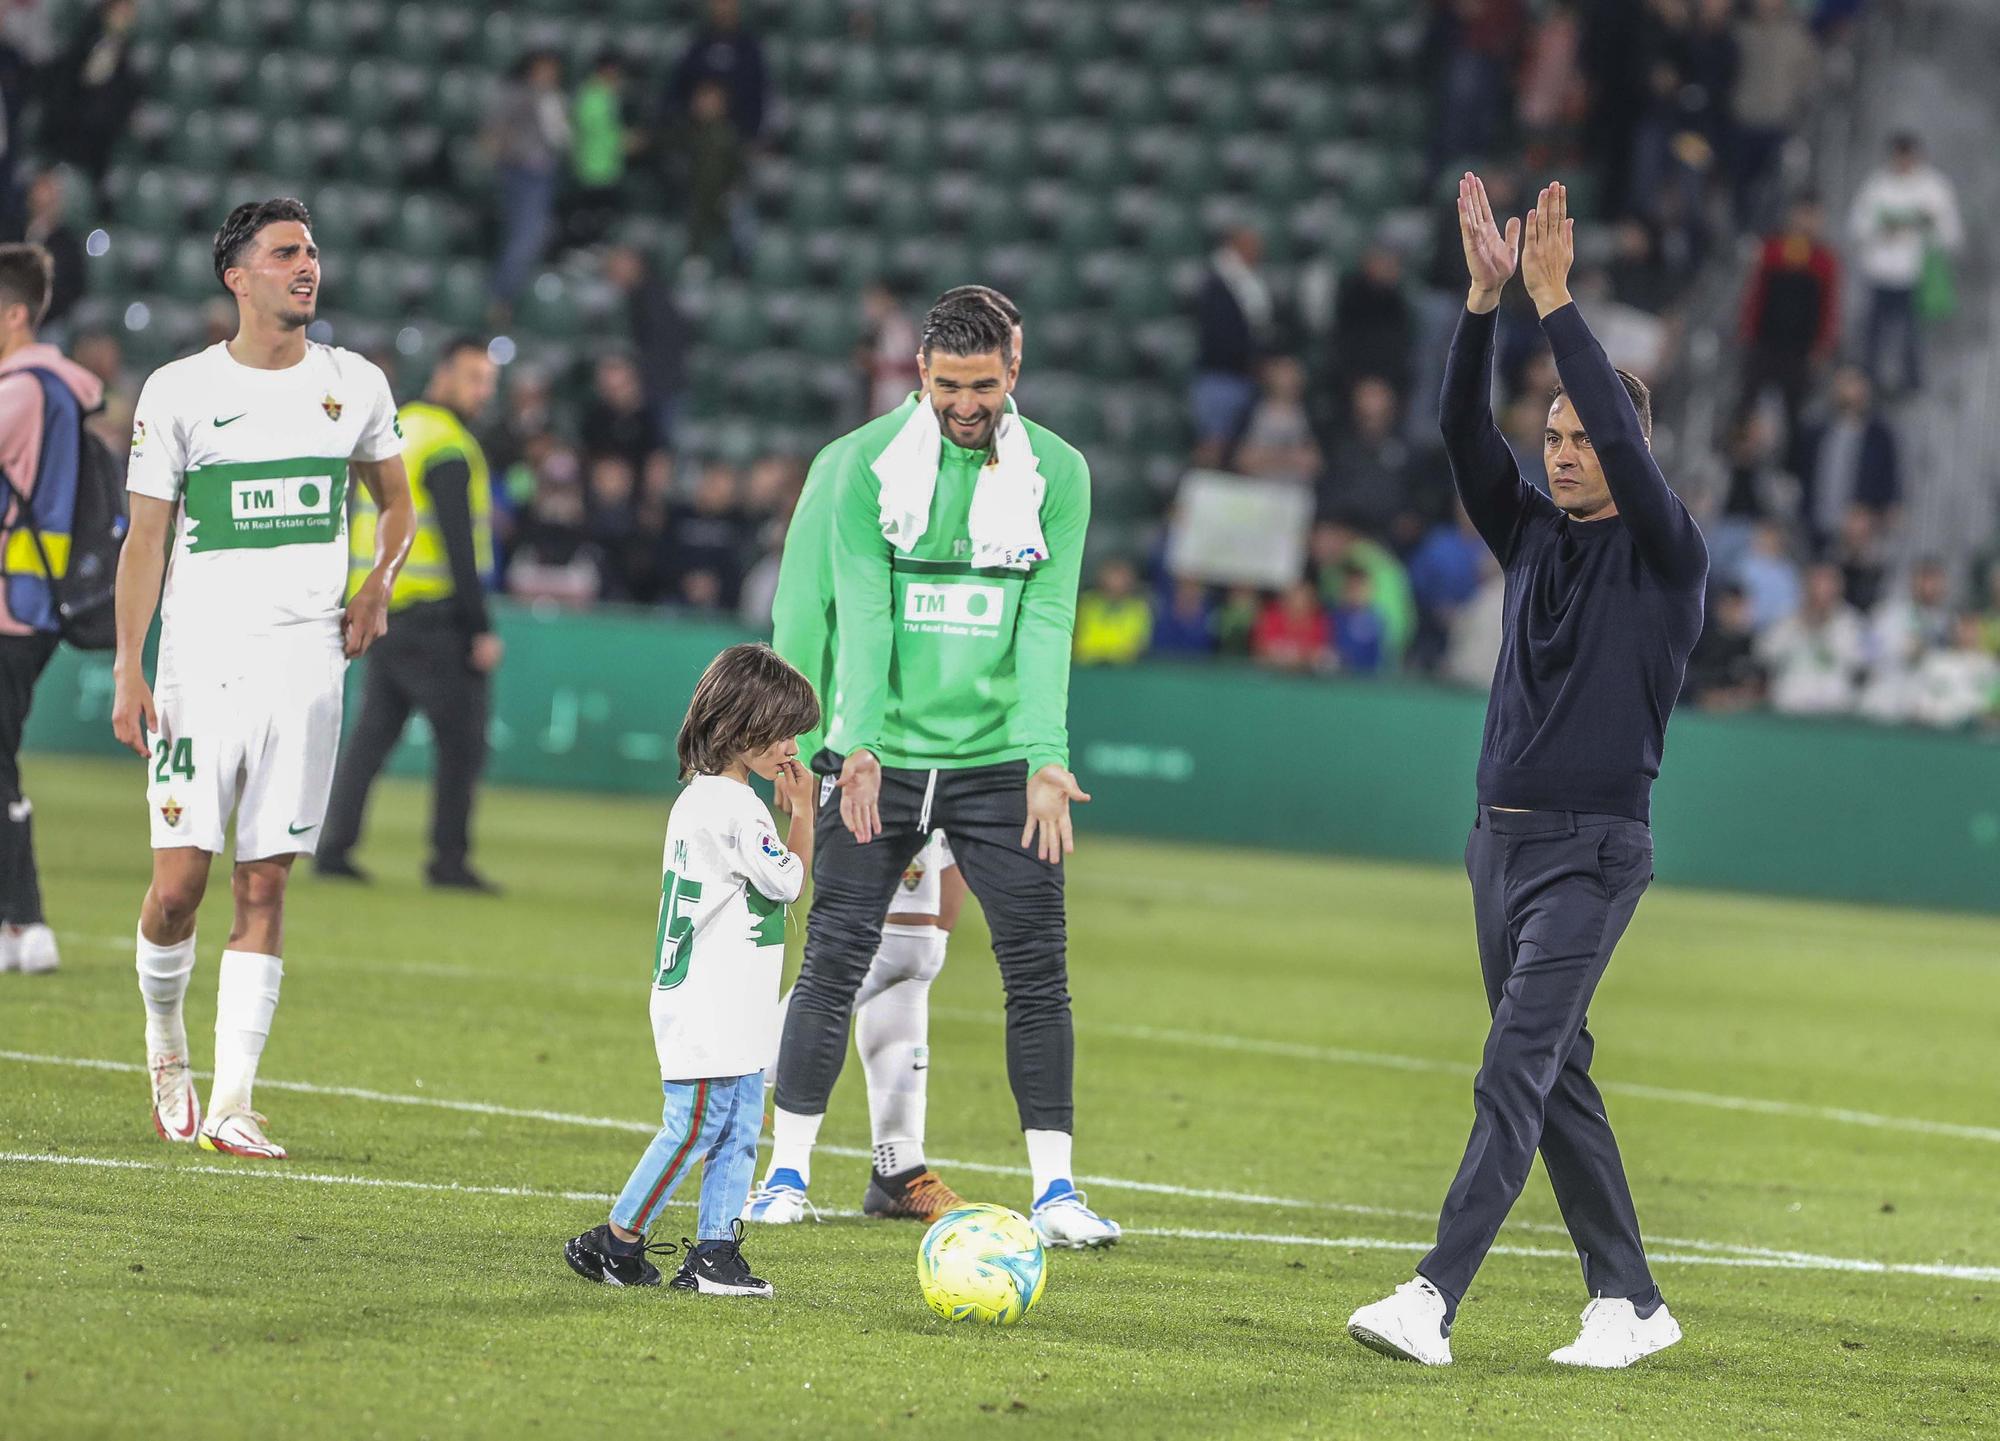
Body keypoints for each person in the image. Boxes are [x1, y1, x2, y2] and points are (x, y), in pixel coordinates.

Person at [1349, 177, 1705, 1369]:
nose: (1559, 453)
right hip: (1495, 844)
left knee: (1512, 1066)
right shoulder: (1532, 532)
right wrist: (1484, 305)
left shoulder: (1666, 554)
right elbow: (1459, 432)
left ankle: (1430, 1296)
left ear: (1624, 448)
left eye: (1581, 436)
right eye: (1548, 436)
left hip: (1592, 852)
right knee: (1554, 1078)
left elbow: (1607, 413)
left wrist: (1560, 307)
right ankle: (1629, 1300)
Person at [758, 294, 1119, 1249]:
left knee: (1036, 971)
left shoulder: (1060, 475)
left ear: (1016, 366)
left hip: (997, 762)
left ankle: (1056, 1191)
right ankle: (785, 1172)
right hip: (884, 756)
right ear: (919, 370)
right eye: (950, 387)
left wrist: (1048, 758)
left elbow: (1047, 624)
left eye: (986, 387)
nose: (968, 406)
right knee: (836, 955)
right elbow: (855, 613)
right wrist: (848, 743)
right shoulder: (861, 467)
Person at [110, 198, 415, 1160]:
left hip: (307, 667)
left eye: (313, 251)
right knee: (177, 889)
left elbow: (397, 502)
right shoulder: (180, 391)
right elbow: (145, 539)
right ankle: (167, 1047)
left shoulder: (354, 384)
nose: (306, 265)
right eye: (285, 253)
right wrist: (130, 662)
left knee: (265, 884)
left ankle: (237, 1100)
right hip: (201, 667)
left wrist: (379, 580)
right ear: (237, 277)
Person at [563, 642, 816, 1296]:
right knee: (699, 1126)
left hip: (728, 1000)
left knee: (735, 1130)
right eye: (782, 731)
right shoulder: (736, 808)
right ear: (739, 725)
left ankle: (714, 1254)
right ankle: (613, 1243)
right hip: (711, 1003)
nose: (792, 746)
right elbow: (786, 881)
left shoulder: (704, 799)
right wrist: (805, 819)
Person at [317, 337, 503, 892]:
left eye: (487, 382)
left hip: (383, 607)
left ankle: (334, 848)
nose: (481, 392)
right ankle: (448, 860)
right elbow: (457, 542)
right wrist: (480, 626)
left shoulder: (398, 428)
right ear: (442, 375)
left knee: (373, 735)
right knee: (463, 740)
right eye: (472, 378)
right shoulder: (448, 443)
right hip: (433, 616)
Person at [0, 242, 103, 975]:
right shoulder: (61, 389)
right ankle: (18, 926)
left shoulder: (21, 390)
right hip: (32, 605)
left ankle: (28, 922)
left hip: (7, 605)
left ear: (13, 313)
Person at [1848, 133, 1962, 395]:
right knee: (1874, 334)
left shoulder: (1933, 187)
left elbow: (1951, 234)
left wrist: (1924, 227)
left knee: (1911, 336)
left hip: (1915, 276)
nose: (1904, 162)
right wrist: (1882, 231)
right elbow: (1857, 227)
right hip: (1880, 274)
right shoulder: (1877, 185)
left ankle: (1910, 385)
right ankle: (1870, 383)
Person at [1737, 194, 1839, 447]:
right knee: (1746, 406)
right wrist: (1748, 332)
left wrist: (1822, 346)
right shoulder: (1773, 249)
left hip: (1799, 350)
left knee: (1795, 412)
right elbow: (1756, 293)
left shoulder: (1824, 261)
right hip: (1765, 342)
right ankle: (1738, 461)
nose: (1806, 222)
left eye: (1812, 216)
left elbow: (1829, 307)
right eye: (1802, 214)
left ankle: (1789, 471)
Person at [484, 51, 569, 312]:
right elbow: (493, 130)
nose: (549, 75)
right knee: (524, 238)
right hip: (520, 172)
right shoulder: (515, 94)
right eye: (544, 69)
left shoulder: (553, 99)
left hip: (544, 173)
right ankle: (499, 298)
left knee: (532, 236)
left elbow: (560, 136)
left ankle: (508, 299)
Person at [1190, 227, 1272, 468]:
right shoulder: (1218, 284)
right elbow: (1220, 334)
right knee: (1212, 445)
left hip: (1241, 377)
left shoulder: (1247, 282)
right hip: (1220, 378)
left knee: (1236, 449)